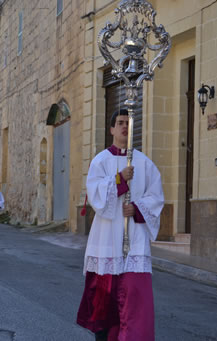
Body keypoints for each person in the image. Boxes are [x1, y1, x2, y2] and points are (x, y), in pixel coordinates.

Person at [76, 109, 164, 341]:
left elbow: (156, 198)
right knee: (105, 302)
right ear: (112, 129)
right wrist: (120, 179)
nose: (125, 127)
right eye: (120, 122)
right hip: (106, 239)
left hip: (134, 241)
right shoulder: (101, 161)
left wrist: (136, 208)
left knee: (135, 300)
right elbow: (95, 196)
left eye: (128, 123)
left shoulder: (145, 164)